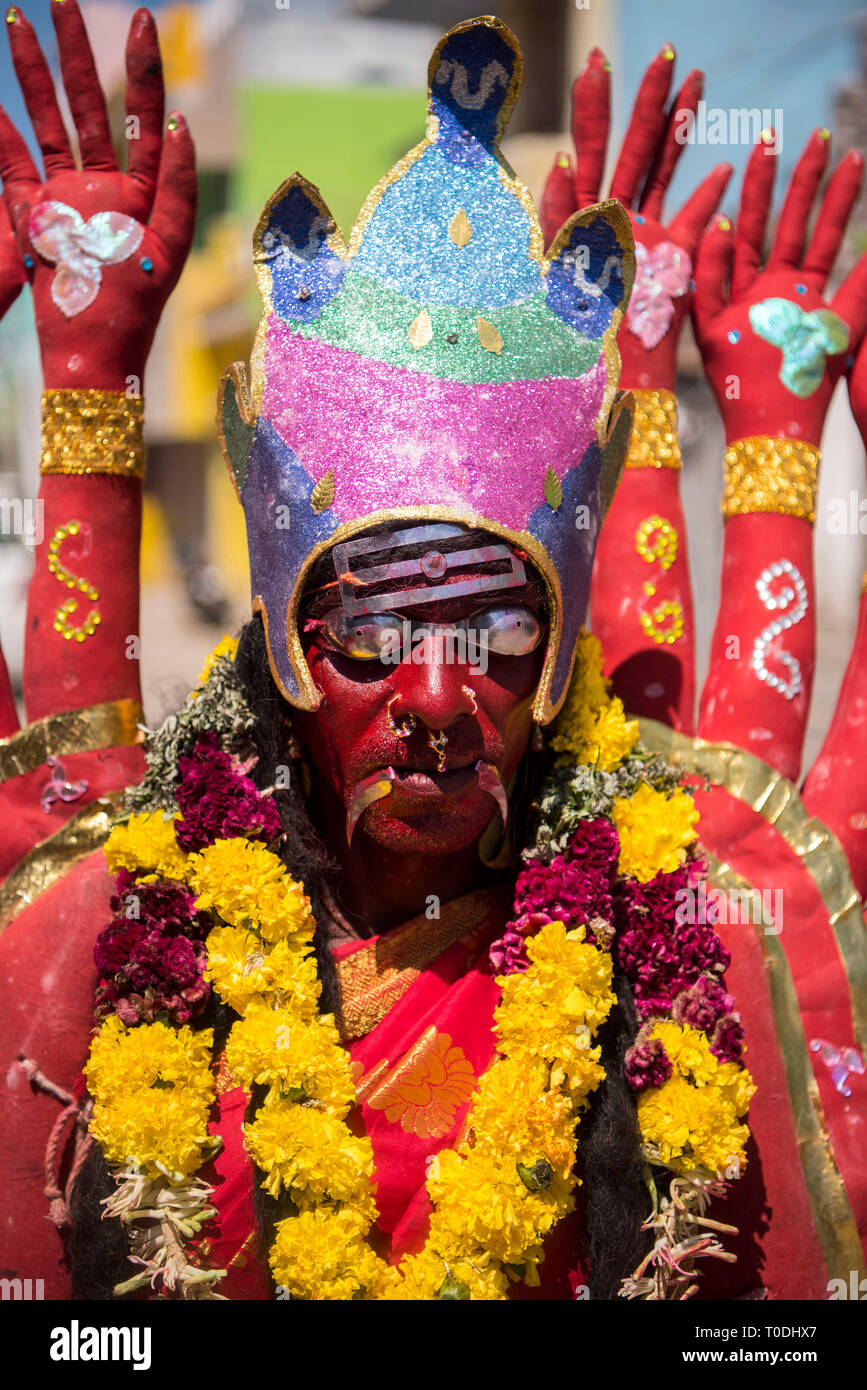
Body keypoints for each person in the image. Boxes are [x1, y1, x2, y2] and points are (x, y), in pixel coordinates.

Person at [0, 5, 865, 1301]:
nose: (441, 697)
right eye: (377, 627)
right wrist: (85, 366)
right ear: (289, 643)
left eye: (501, 626)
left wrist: (770, 454)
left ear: (562, 653)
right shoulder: (138, 909)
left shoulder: (675, 922)